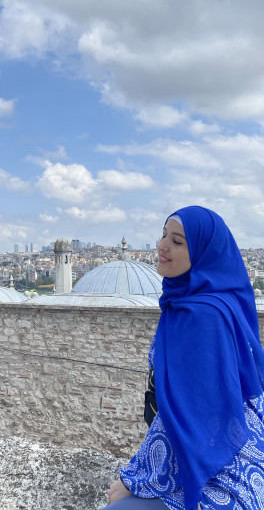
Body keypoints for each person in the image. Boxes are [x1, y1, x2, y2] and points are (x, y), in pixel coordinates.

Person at [105, 206, 264, 510]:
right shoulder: (214, 301)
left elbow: (187, 412)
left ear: (204, 253)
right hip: (236, 444)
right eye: (164, 235)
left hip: (222, 468)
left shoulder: (200, 315)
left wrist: (134, 481)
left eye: (177, 241)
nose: (163, 246)